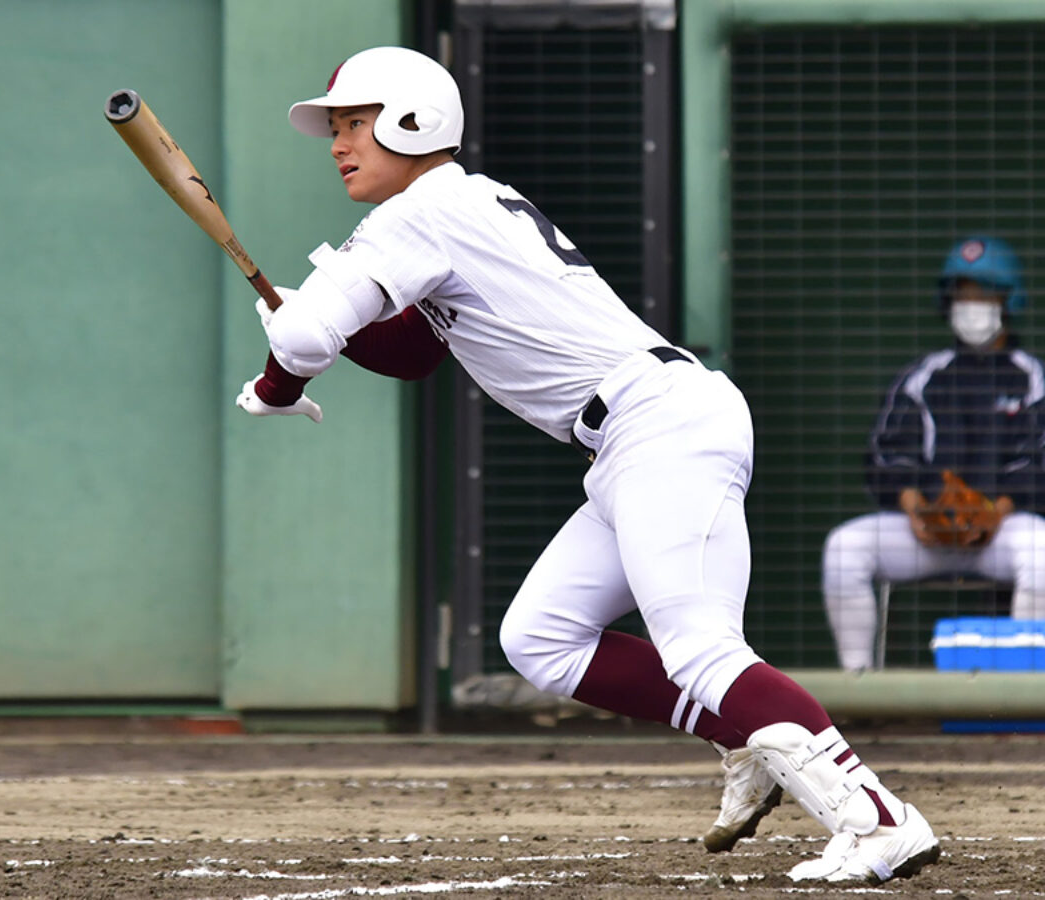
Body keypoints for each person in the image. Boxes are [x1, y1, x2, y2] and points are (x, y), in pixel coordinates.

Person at [234, 45, 939, 883]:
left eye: (354, 122)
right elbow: (412, 350)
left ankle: (878, 818)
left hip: (658, 423)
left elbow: (310, 341)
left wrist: (284, 370)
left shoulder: (419, 211)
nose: (338, 142)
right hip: (631, 435)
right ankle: (738, 733)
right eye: (337, 126)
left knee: (701, 649)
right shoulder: (458, 206)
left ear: (412, 121)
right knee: (541, 639)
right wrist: (306, 320)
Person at [823, 236, 1045, 671]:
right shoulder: (923, 375)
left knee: (1042, 551)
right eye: (962, 294)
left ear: (1007, 299)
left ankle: (1027, 691)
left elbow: (1040, 461)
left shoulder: (1032, 377)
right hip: (926, 531)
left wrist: (994, 510)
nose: (971, 304)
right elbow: (884, 454)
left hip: (1000, 531)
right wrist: (916, 508)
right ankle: (858, 686)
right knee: (844, 547)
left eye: (983, 293)